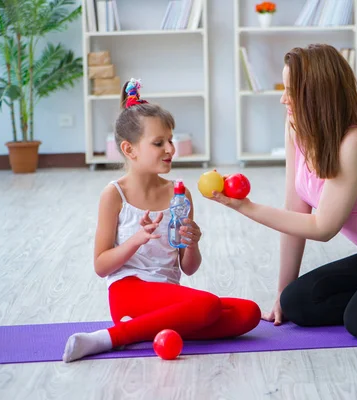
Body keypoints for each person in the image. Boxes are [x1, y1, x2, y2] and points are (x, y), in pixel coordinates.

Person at [209, 44, 357, 339]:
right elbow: (295, 213)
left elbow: (323, 228)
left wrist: (246, 207)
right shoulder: (297, 127)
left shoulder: (356, 141)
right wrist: (282, 291)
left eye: (292, 90)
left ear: (319, 93)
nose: (284, 98)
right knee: (297, 303)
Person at [62, 79, 260, 363]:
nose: (170, 148)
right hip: (129, 292)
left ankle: (143, 329)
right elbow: (101, 265)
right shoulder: (114, 195)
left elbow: (188, 269)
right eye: (158, 143)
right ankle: (108, 338)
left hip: (168, 296)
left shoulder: (179, 194)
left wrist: (192, 244)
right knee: (207, 305)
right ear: (130, 150)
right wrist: (136, 240)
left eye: (170, 139)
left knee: (248, 313)